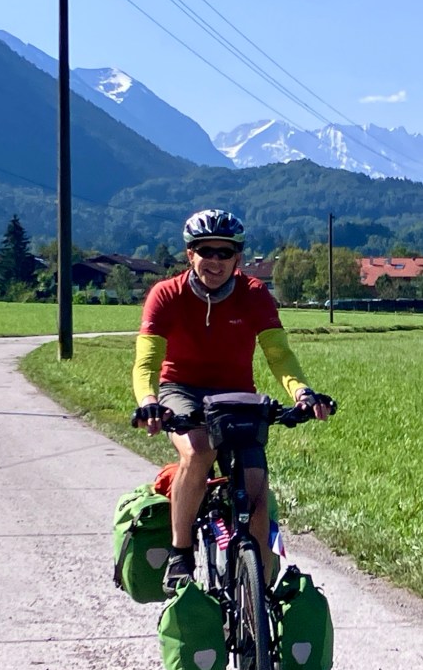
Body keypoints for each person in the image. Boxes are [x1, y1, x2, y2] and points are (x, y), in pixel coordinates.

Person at [132, 209, 331, 595]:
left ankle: (257, 594)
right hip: (181, 389)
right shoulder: (166, 295)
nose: (215, 260)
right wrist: (149, 400)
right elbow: (146, 363)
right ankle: (180, 552)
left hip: (236, 396)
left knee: (255, 489)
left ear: (238, 257)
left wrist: (302, 393)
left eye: (224, 252)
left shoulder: (254, 294)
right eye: (205, 251)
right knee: (199, 451)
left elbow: (279, 355)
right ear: (190, 254)